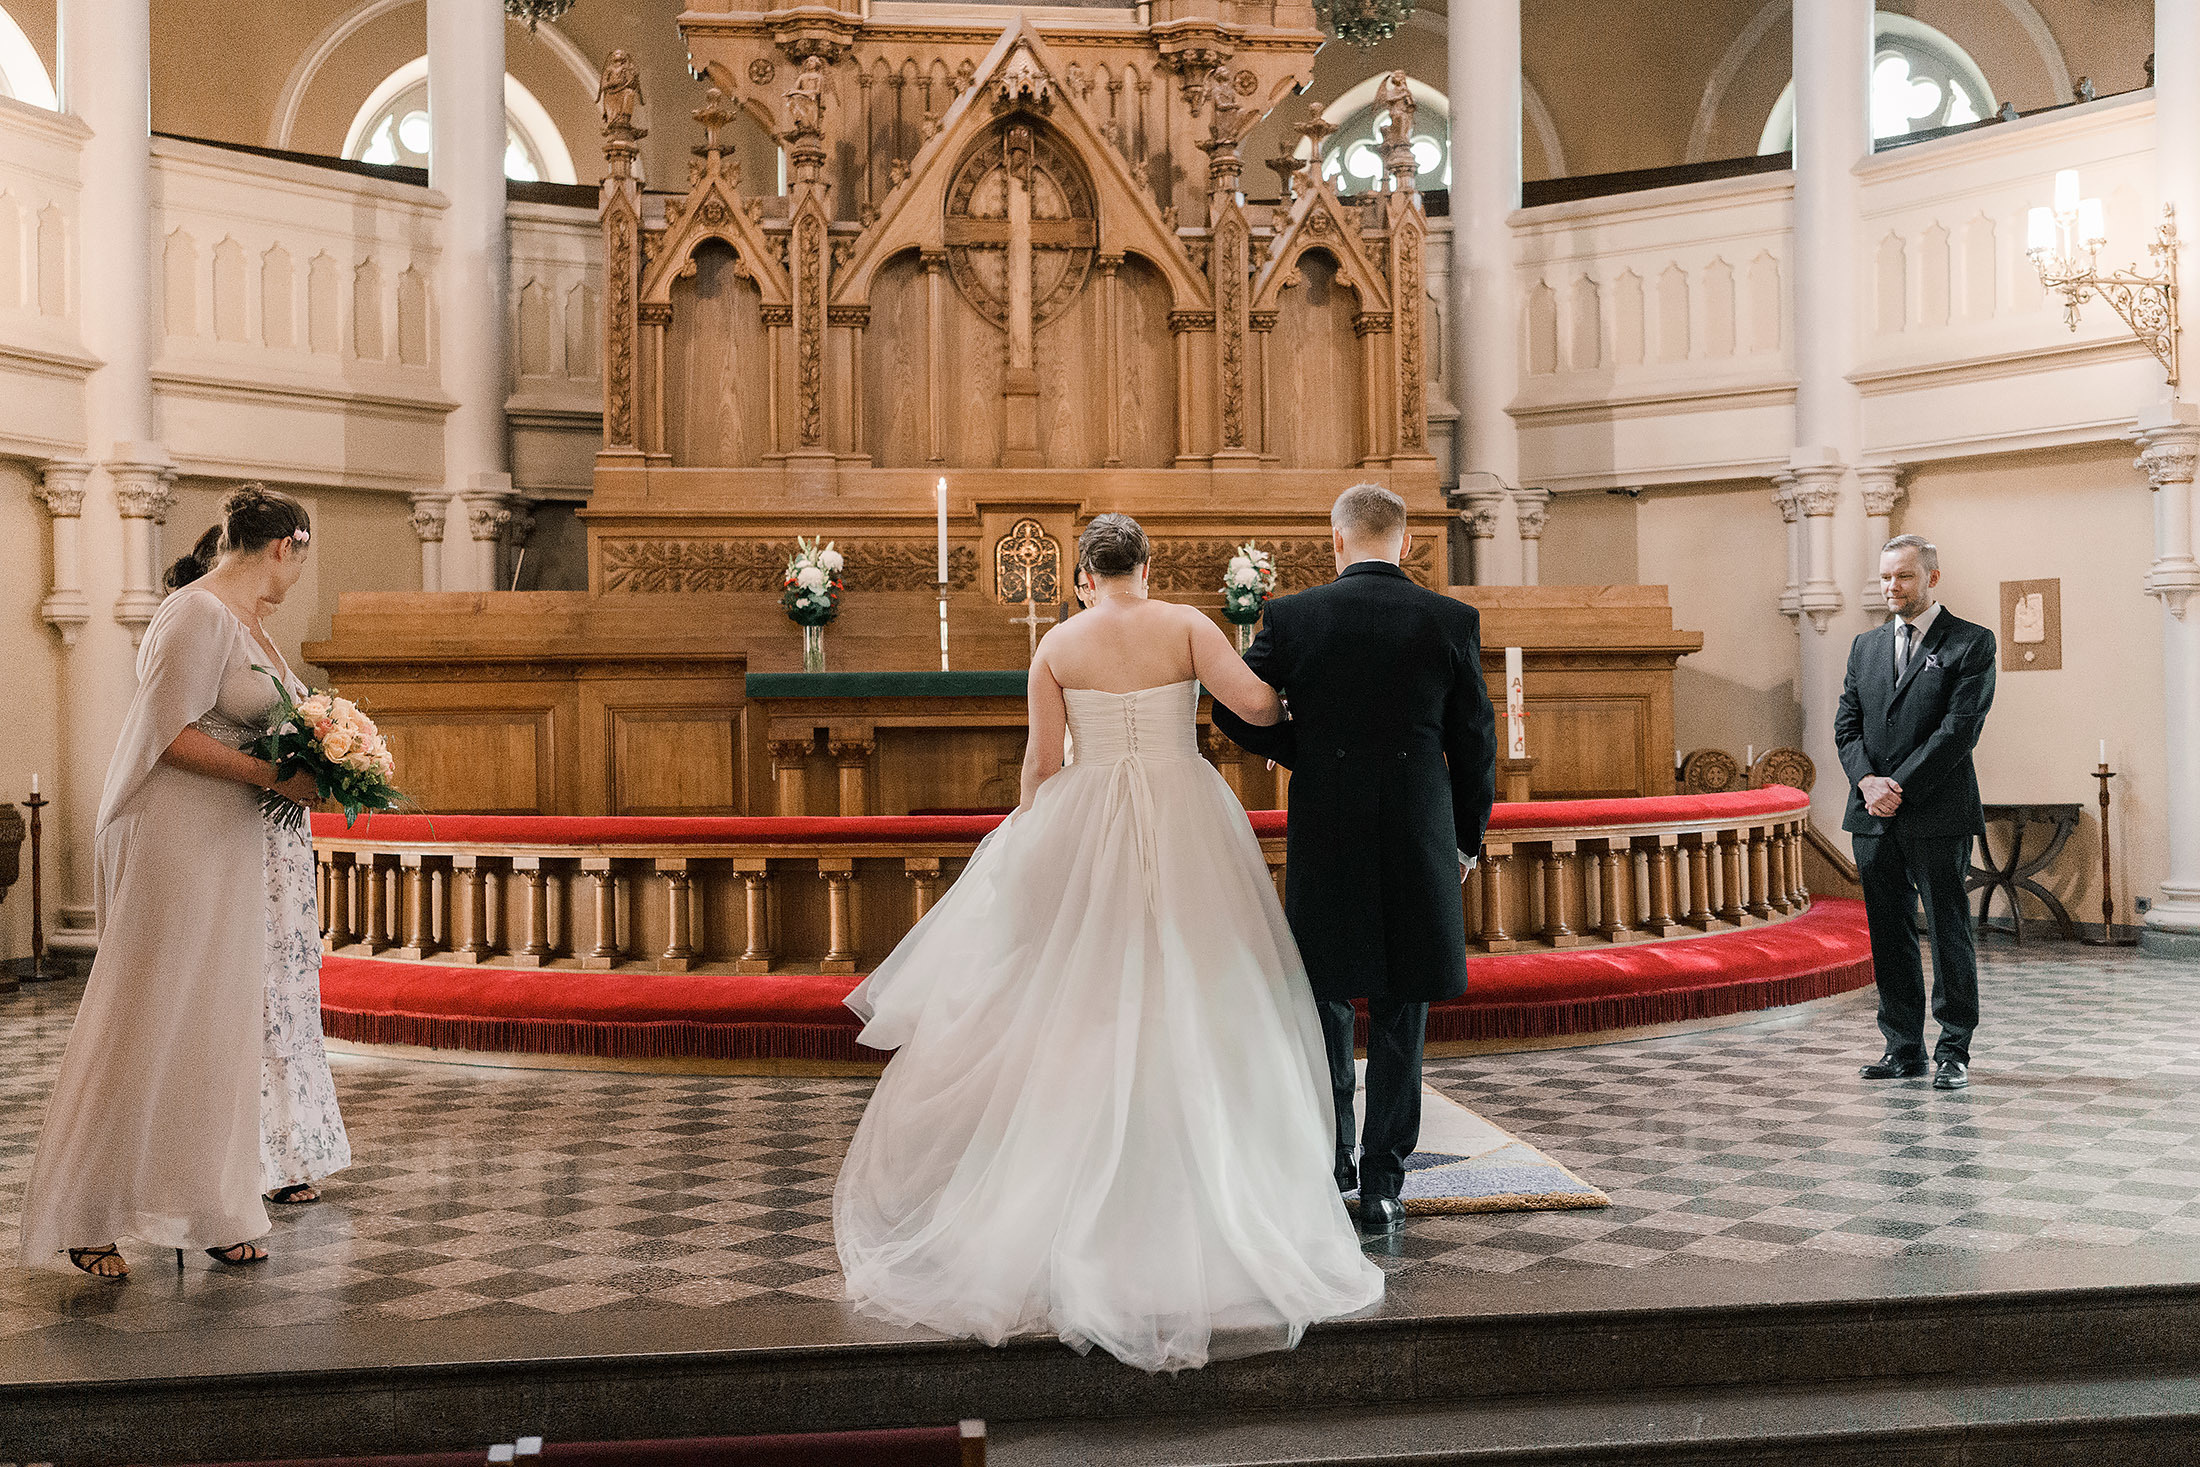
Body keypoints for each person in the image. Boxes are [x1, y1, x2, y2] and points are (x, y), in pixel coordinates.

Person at [833, 514, 1383, 1373]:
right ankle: (1213, 1198)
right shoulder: (1188, 625)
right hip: (1185, 816)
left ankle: (1075, 1199)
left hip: (1087, 824)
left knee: (1087, 1001)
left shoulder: (1058, 644)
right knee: (1201, 991)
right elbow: (1258, 704)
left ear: (1084, 576)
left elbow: (1042, 764)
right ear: (1148, 567)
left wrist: (1026, 844)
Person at [19, 485, 348, 1279]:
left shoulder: (244, 625)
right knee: (148, 1016)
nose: (299, 573)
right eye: (302, 558)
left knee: (217, 1024)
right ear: (283, 547)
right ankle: (85, 1209)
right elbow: (165, 738)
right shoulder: (196, 612)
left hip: (226, 838)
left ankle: (213, 1204)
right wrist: (278, 773)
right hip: (175, 835)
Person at [1210, 484, 1497, 1235]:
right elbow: (1474, 743)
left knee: (1326, 995)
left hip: (1328, 822)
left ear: (1335, 541)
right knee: (1403, 1004)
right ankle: (1384, 1183)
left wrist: (1305, 752)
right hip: (1416, 825)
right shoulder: (1451, 619)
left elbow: (1231, 706)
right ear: (1405, 543)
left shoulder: (1294, 615)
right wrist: (1467, 835)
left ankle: (1332, 1159)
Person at [1835, 533, 1997, 1091]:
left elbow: (1958, 732)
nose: (1891, 587)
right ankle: (1902, 1046)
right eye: (1884, 577)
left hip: (1937, 811)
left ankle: (1955, 1049)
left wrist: (1896, 786)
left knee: (1948, 928)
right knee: (1888, 931)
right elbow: (1847, 725)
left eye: (1903, 576)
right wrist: (1866, 781)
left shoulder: (1971, 643)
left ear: (1931, 578)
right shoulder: (1865, 646)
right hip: (1872, 815)